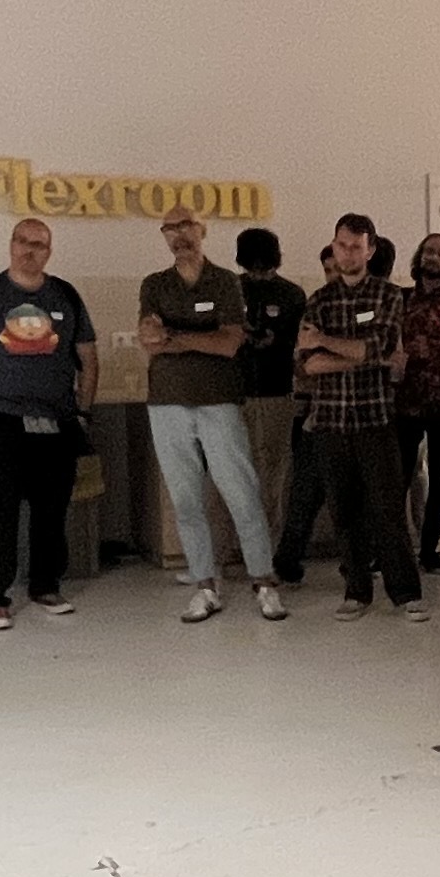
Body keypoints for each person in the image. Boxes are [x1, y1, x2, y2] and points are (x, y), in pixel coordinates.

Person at [0, 216, 98, 631]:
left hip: (57, 420)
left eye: (40, 244)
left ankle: (46, 585)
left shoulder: (65, 295)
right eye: (23, 241)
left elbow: (88, 357)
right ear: (11, 246)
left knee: (52, 508)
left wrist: (83, 411)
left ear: (49, 251)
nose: (30, 250)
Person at [137, 205, 287, 626]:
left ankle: (264, 582)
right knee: (185, 500)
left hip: (218, 401)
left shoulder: (223, 282)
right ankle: (206, 586)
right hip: (167, 404)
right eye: (170, 229)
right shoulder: (155, 284)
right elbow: (149, 339)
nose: (179, 235)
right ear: (164, 235)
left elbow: (228, 344)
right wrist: (191, 337)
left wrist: (176, 337)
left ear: (201, 230)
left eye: (186, 226)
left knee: (242, 493)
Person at [296, 212, 425, 621]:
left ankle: (405, 593)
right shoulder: (318, 300)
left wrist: (327, 344)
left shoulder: (388, 296)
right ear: (334, 247)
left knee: (388, 510)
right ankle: (356, 591)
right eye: (341, 245)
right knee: (344, 511)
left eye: (356, 245)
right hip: (331, 423)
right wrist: (356, 353)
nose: (348, 252)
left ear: (370, 250)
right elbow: (307, 365)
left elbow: (379, 346)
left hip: (374, 420)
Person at [395, 231, 440, 572]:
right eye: (427, 251)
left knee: (439, 481)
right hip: (406, 401)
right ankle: (391, 550)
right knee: (399, 477)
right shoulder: (399, 297)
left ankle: (428, 551)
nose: (432, 257)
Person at [233, 222, 306, 546]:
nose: (260, 274)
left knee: (274, 473)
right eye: (254, 267)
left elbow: (301, 342)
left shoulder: (291, 294)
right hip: (237, 392)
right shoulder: (232, 289)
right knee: (236, 472)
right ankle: (236, 546)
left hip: (277, 391)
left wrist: (276, 339)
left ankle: (270, 546)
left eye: (265, 267)